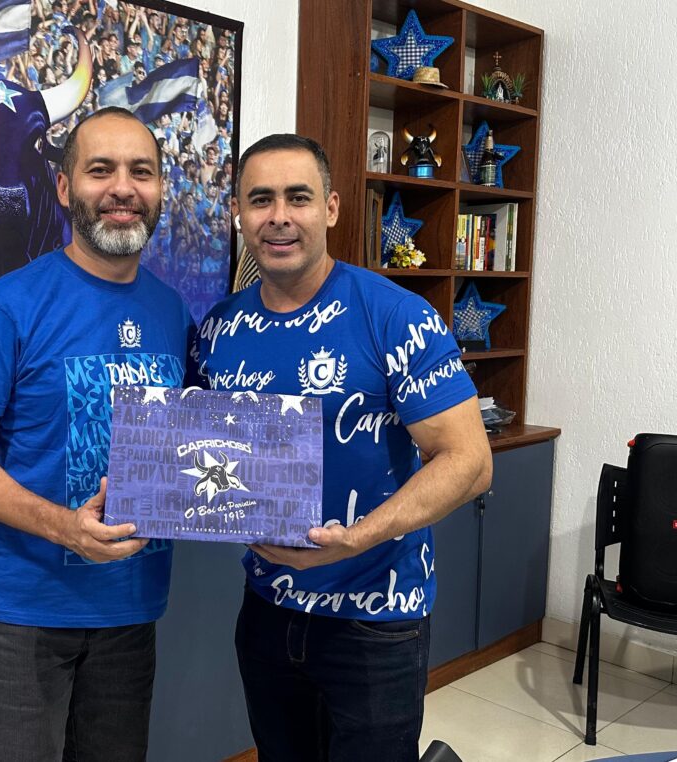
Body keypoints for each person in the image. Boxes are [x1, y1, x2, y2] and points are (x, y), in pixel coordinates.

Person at [195, 134, 492, 762]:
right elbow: (194, 449)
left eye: (298, 197)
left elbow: (470, 463)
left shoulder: (396, 316)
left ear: (330, 208)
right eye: (260, 199)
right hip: (267, 608)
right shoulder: (219, 330)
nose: (279, 216)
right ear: (238, 214)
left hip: (375, 619)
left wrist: (358, 538)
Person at [0, 107, 195, 762]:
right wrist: (64, 528)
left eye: (141, 171)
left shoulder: (172, 310)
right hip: (27, 609)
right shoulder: (9, 303)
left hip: (133, 606)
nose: (122, 188)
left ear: (160, 189)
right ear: (63, 186)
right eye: (100, 170)